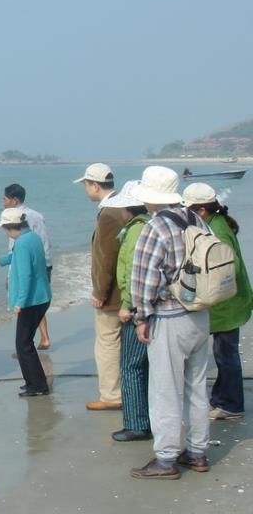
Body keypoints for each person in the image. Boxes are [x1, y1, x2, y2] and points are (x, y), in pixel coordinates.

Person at [129, 166, 210, 480]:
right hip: (200, 314)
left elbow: (144, 279)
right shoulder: (197, 219)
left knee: (164, 390)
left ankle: (165, 459)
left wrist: (140, 317)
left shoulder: (156, 227)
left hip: (169, 314)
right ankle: (198, 452)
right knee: (197, 387)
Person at [182, 182, 252, 421]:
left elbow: (222, 273)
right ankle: (223, 397)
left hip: (227, 302)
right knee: (225, 353)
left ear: (202, 210)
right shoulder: (215, 223)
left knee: (226, 355)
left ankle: (232, 405)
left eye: (189, 209)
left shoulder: (217, 231)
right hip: (231, 300)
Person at [74, 163, 130, 411]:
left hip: (114, 293)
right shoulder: (126, 205)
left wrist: (99, 292)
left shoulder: (109, 213)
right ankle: (126, 388)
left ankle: (111, 395)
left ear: (95, 185)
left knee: (107, 343)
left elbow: (107, 257)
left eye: (86, 185)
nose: (86, 190)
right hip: (127, 290)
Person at [0, 207, 52, 397]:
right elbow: (19, 258)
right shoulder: (32, 237)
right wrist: (0, 260)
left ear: (8, 227)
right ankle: (32, 382)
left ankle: (38, 385)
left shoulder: (21, 242)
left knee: (23, 345)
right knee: (25, 343)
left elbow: (26, 275)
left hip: (31, 301)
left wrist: (20, 302)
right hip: (41, 297)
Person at [107, 181, 152, 441]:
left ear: (127, 208)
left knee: (131, 366)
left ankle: (136, 423)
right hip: (147, 304)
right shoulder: (149, 224)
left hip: (136, 306)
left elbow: (134, 272)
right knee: (144, 366)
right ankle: (146, 418)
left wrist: (127, 306)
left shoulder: (136, 231)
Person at [3, 183, 53, 349]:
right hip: (36, 264)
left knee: (28, 304)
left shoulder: (30, 217)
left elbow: (43, 242)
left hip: (34, 266)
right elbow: (44, 243)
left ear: (15, 200)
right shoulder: (32, 216)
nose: (3, 202)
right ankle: (34, 340)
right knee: (34, 303)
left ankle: (26, 343)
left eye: (5, 199)